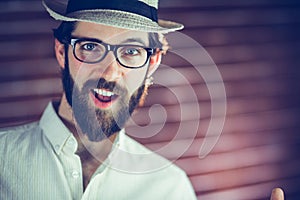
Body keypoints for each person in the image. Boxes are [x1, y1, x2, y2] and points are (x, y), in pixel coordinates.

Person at [0, 0, 285, 200]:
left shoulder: (170, 189)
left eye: (131, 51)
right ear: (62, 53)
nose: (110, 73)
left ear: (153, 63)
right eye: (89, 47)